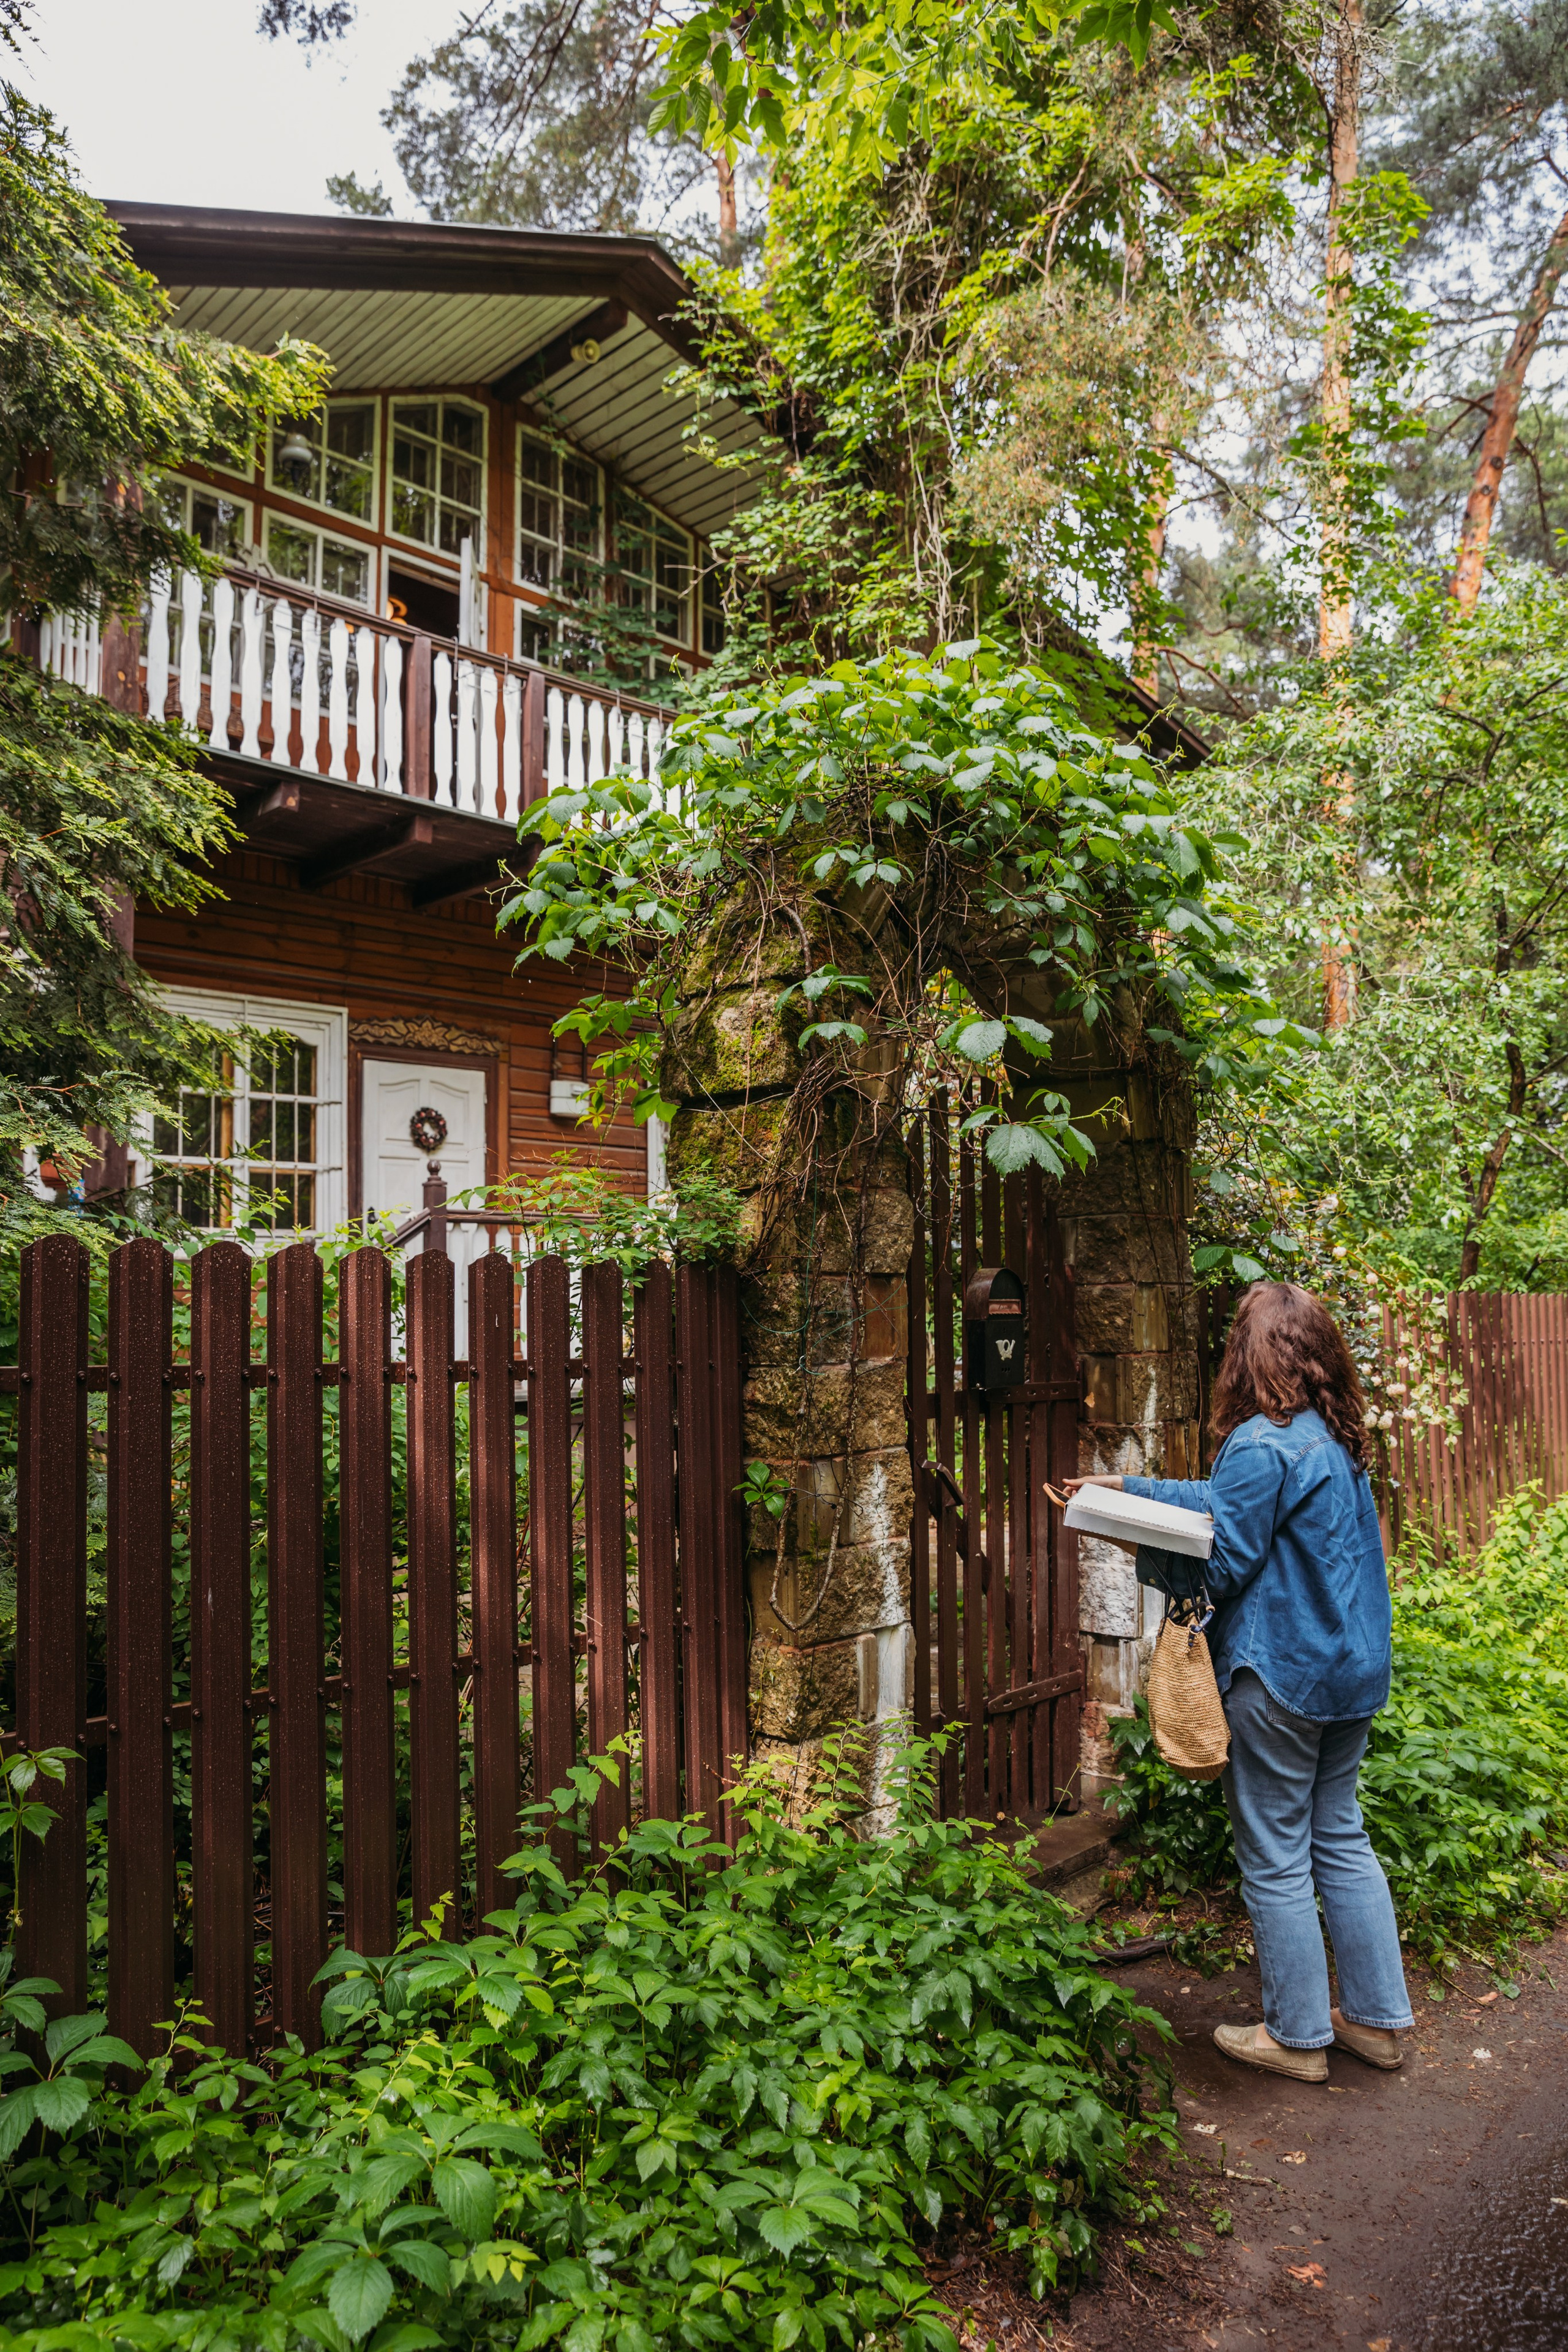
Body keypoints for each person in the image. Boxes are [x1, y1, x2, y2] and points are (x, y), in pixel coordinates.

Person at [1064, 1281, 1414, 2083]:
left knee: (1277, 1854)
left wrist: (1131, 1547)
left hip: (1282, 1673)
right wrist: (1129, 1490)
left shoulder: (1261, 1440)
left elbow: (1225, 1557)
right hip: (1352, 1672)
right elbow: (1232, 1502)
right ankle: (1375, 2023)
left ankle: (1296, 2036)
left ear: (1246, 1359)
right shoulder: (1335, 1435)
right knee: (1341, 1837)